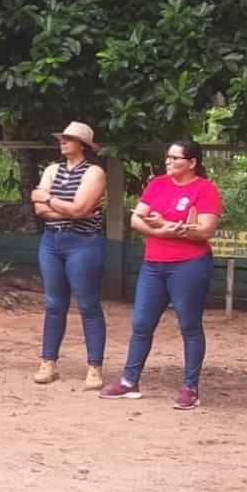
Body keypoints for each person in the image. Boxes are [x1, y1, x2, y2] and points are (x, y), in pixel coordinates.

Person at [99, 140, 221, 408]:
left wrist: (166, 224)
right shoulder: (158, 184)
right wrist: (160, 232)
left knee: (189, 325)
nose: (168, 162)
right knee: (141, 323)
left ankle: (190, 387)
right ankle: (130, 381)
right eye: (167, 157)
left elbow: (205, 230)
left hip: (189, 264)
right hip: (154, 263)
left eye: (175, 158)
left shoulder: (205, 189)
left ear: (192, 163)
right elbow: (136, 218)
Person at [29, 122, 107, 389]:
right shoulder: (52, 170)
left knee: (88, 305)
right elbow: (39, 209)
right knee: (53, 304)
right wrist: (68, 209)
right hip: (51, 241)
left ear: (82, 144)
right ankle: (48, 362)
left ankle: (95, 366)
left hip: (83, 243)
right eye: (61, 138)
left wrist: (49, 200)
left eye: (68, 138)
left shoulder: (94, 172)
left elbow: (79, 209)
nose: (62, 142)